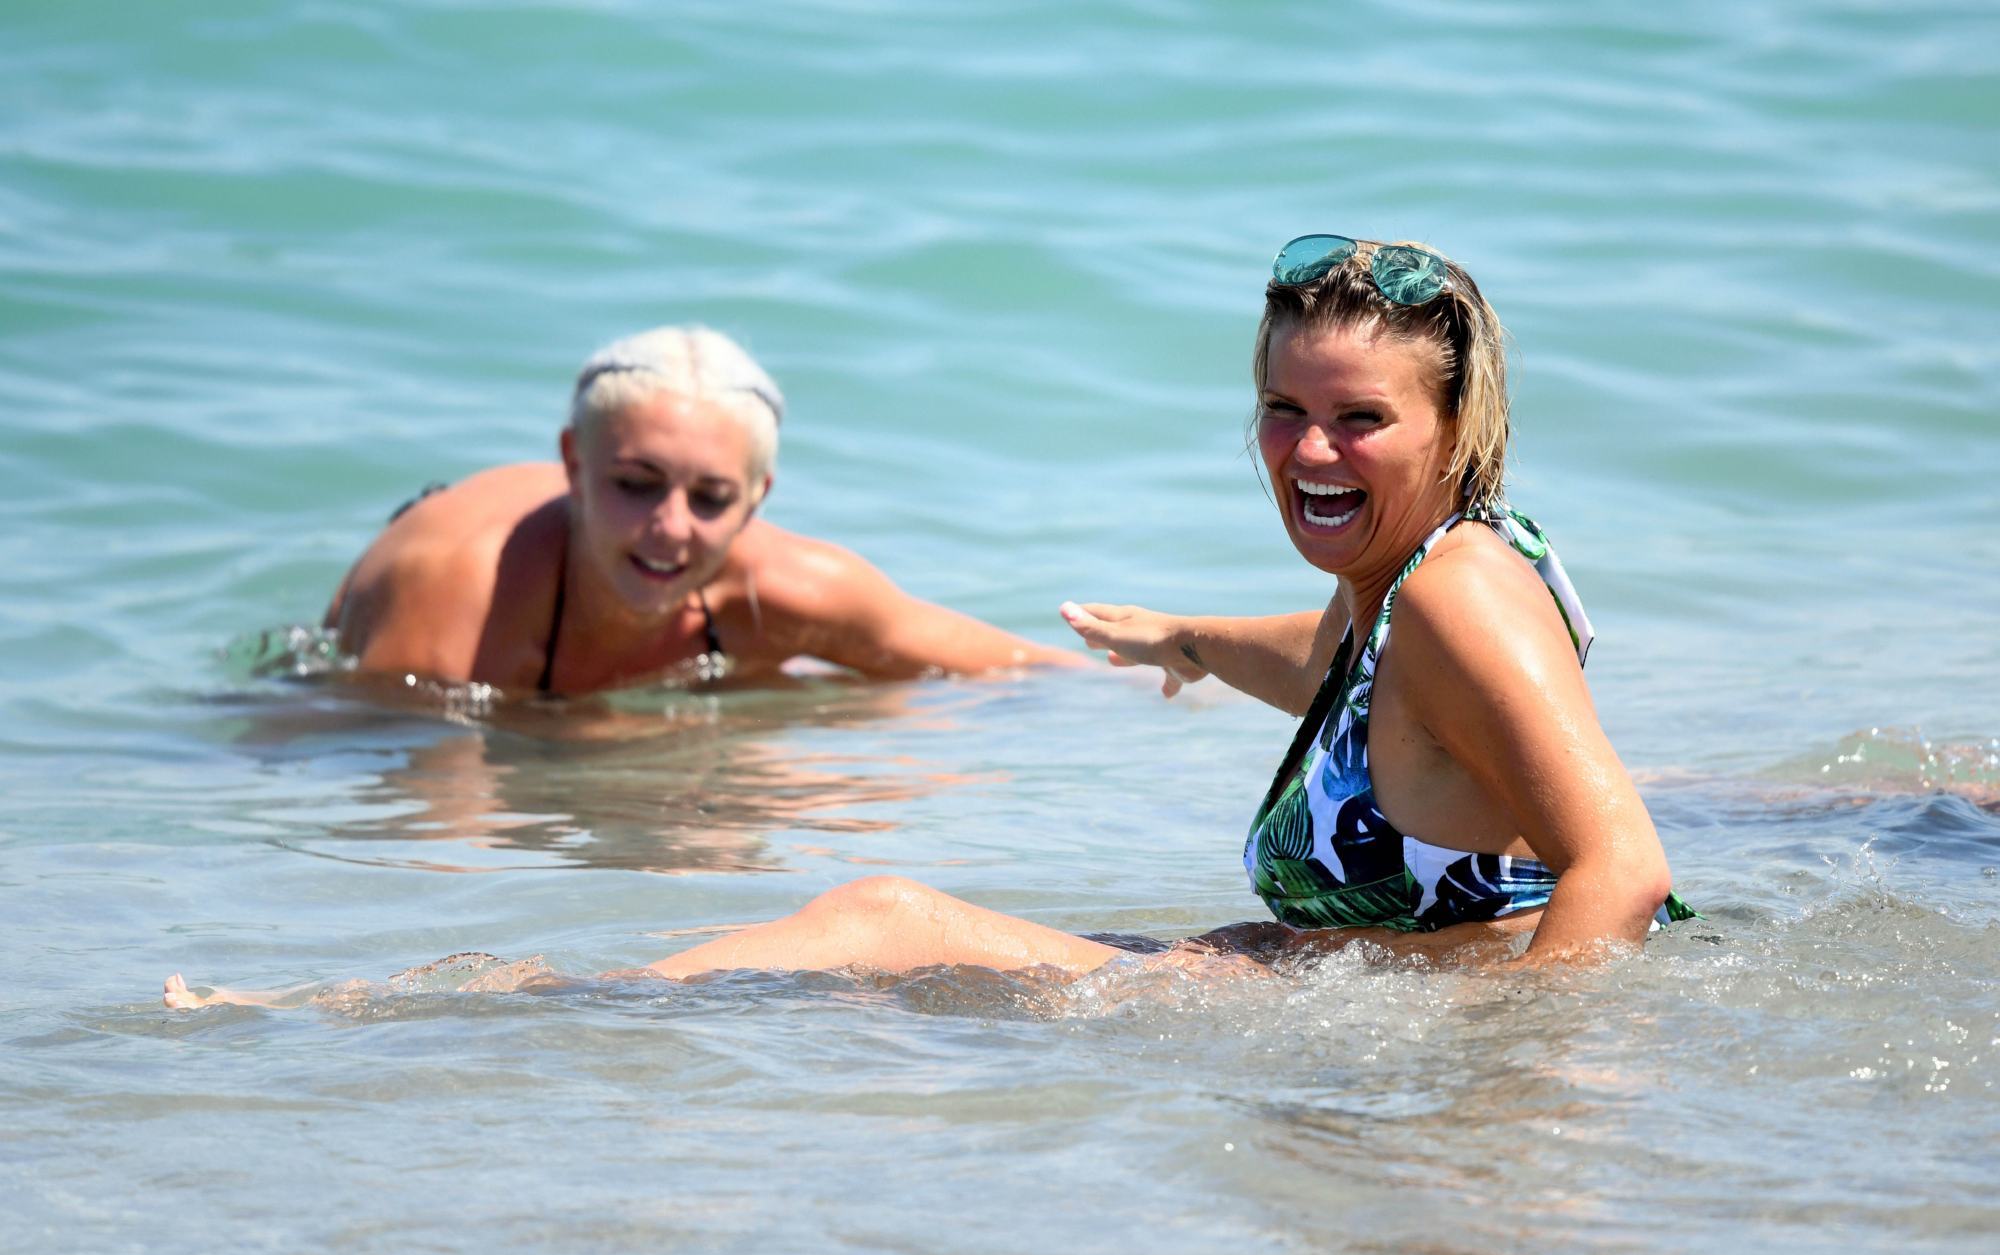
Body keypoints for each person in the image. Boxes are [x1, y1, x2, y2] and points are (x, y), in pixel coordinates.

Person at [166, 236, 1693, 1009]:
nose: (1308, 449)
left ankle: (439, 1016)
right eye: (1283, 409)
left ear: (1453, 423)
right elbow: (1357, 682)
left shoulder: (1454, 593)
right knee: (877, 941)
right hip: (1325, 979)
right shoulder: (1424, 587)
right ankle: (487, 1009)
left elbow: (1622, 868)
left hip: (1366, 1001)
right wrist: (1181, 638)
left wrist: (1510, 1082)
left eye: (1360, 418)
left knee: (880, 921)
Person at [323, 325, 1078, 696]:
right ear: (574, 464)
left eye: (712, 498)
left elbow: (1034, 676)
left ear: (757, 498)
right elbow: (426, 858)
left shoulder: (785, 591)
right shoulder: (456, 594)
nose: (672, 528)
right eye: (636, 483)